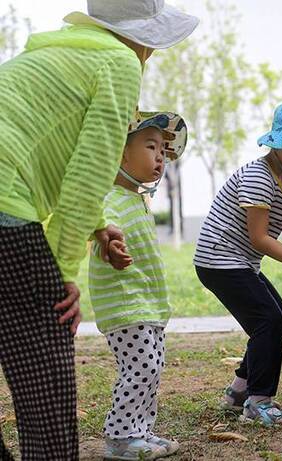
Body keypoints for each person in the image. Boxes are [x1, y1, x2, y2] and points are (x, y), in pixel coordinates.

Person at [0, 1, 197, 459]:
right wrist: (64, 269)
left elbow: (54, 150)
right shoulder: (119, 60)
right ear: (143, 36)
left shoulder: (50, 54)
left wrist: (97, 226)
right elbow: (90, 172)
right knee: (43, 381)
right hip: (6, 206)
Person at [194, 100, 282, 426]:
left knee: (279, 319)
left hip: (239, 261)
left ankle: (239, 392)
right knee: (268, 321)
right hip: (219, 259)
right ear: (280, 142)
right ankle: (258, 402)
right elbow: (260, 238)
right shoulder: (259, 177)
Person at [88, 111, 187, 460]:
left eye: (163, 150)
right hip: (125, 304)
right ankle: (120, 438)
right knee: (141, 367)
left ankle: (140, 431)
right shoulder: (111, 199)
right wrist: (109, 248)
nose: (160, 156)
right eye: (150, 146)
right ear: (119, 153)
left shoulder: (137, 199)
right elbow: (102, 234)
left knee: (152, 366)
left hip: (146, 303)